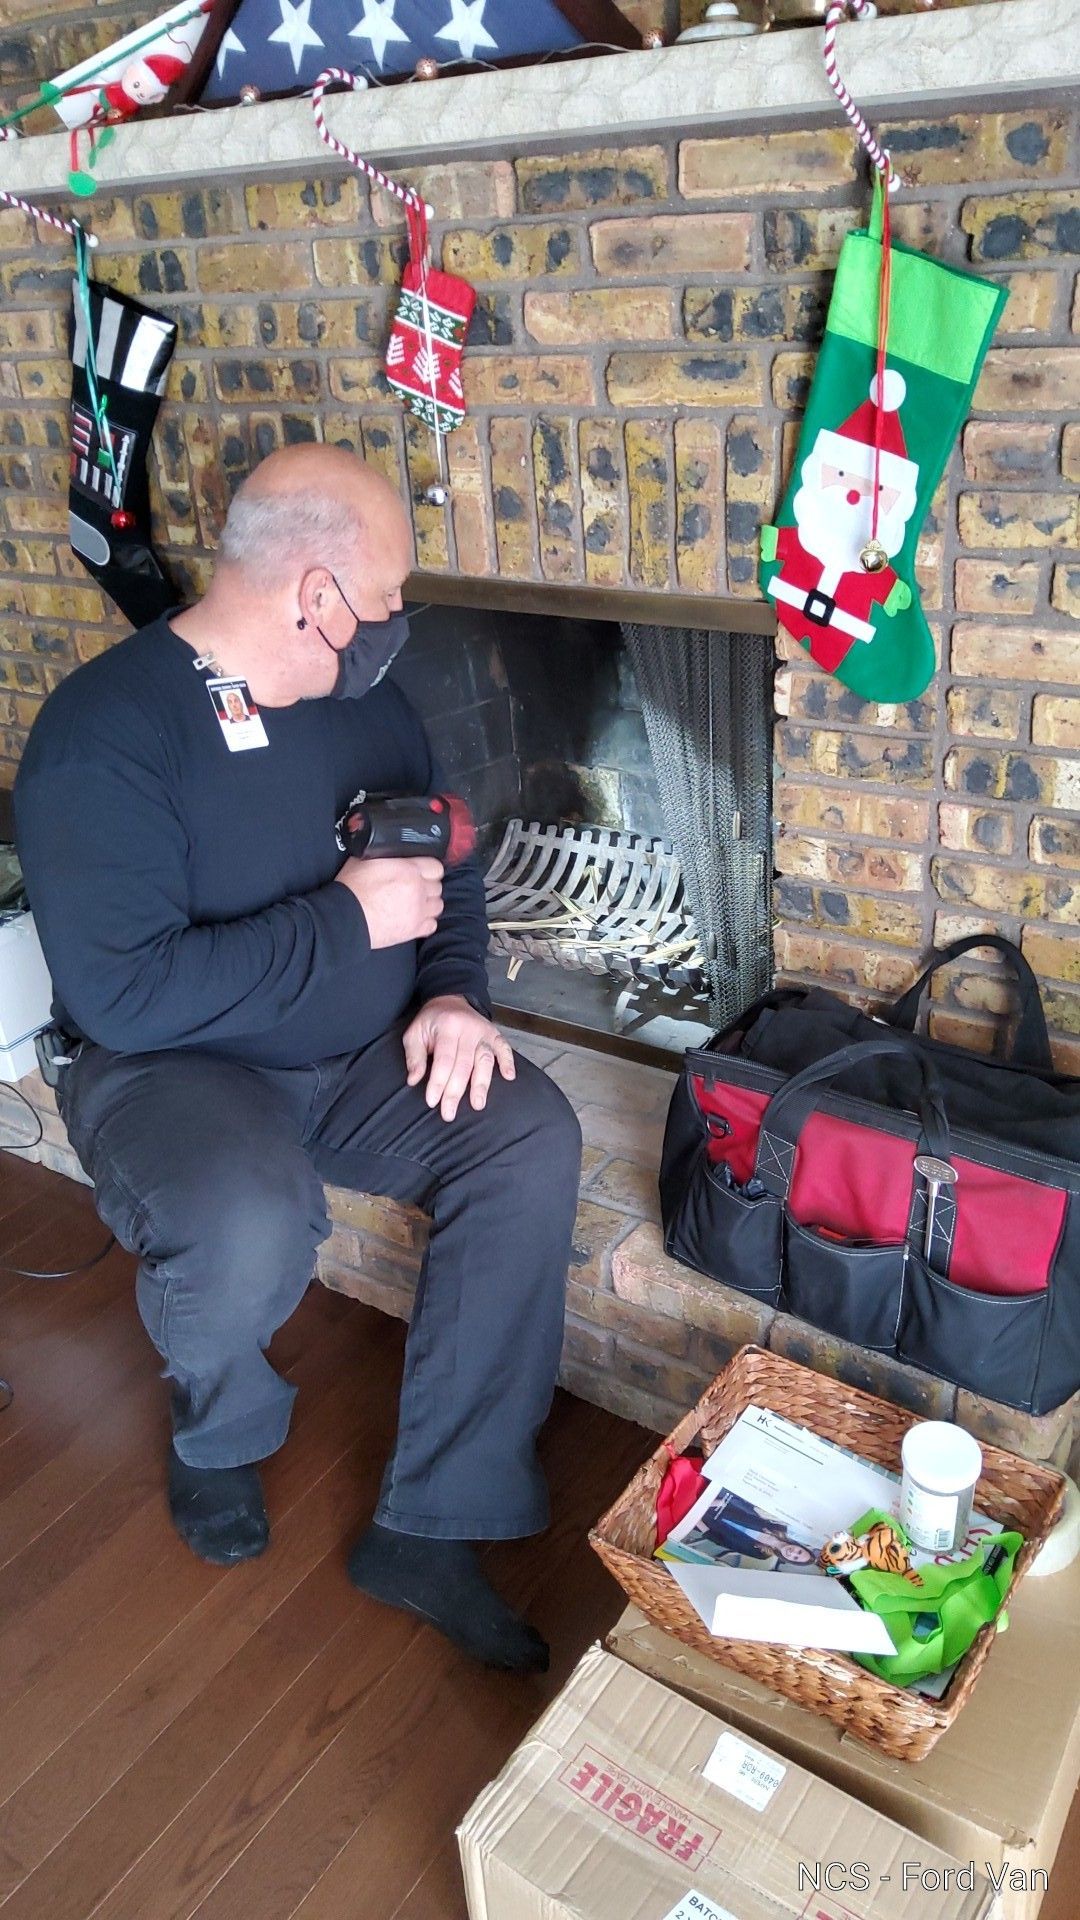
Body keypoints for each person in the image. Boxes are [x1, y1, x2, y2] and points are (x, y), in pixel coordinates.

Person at [14, 445, 583, 1675]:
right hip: (176, 1069)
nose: (394, 627)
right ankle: (218, 1430)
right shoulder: (101, 739)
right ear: (315, 594)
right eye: (383, 601)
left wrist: (452, 995)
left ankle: (437, 1518)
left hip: (363, 1050)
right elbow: (123, 991)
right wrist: (343, 920)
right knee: (244, 1219)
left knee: (527, 1131)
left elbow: (447, 862)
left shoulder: (365, 703)